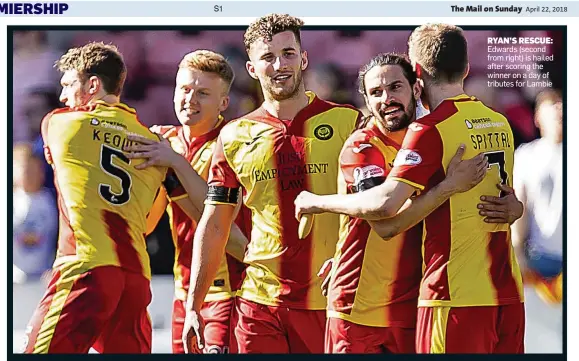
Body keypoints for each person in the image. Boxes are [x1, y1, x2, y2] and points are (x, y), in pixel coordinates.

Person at [295, 24, 526, 353]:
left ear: (416, 84)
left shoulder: (431, 132)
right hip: (362, 309)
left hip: (437, 301)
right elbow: (385, 220)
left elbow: (504, 200)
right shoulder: (365, 146)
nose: (386, 99)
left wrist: (515, 208)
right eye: (375, 92)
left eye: (395, 87)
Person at [182, 13, 363, 354]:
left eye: (288, 54)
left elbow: (370, 209)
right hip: (259, 304)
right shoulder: (233, 136)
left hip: (330, 300)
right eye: (267, 57)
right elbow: (216, 222)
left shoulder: (347, 122)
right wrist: (194, 305)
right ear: (252, 68)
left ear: (304, 58)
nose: (279, 65)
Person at [23, 42, 211, 354]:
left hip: (85, 268)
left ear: (93, 85)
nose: (62, 96)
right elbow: (157, 218)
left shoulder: (58, 123)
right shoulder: (153, 143)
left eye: (68, 85)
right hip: (135, 277)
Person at [141, 50, 249, 354]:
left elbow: (219, 219)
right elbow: (148, 223)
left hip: (229, 290)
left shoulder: (235, 143)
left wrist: (175, 163)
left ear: (223, 103)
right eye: (184, 89)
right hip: (183, 292)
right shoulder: (166, 141)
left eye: (203, 93)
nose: (190, 100)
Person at [511, 89, 563, 352]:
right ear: (537, 117)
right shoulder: (526, 155)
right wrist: (518, 253)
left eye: (563, 104)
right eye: (552, 104)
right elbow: (519, 207)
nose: (559, 110)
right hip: (538, 263)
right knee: (540, 342)